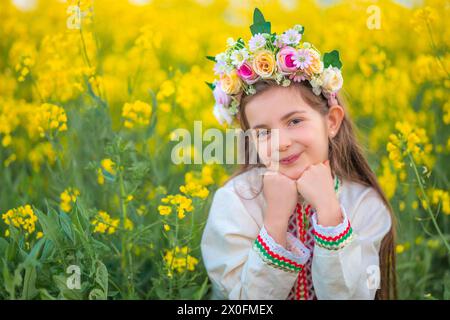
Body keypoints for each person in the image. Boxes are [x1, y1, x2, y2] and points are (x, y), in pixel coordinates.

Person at [201, 8, 396, 300]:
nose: (280, 143)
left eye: (294, 121)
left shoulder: (364, 205)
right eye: (263, 131)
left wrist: (330, 215)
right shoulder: (236, 202)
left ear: (331, 121)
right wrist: (276, 221)